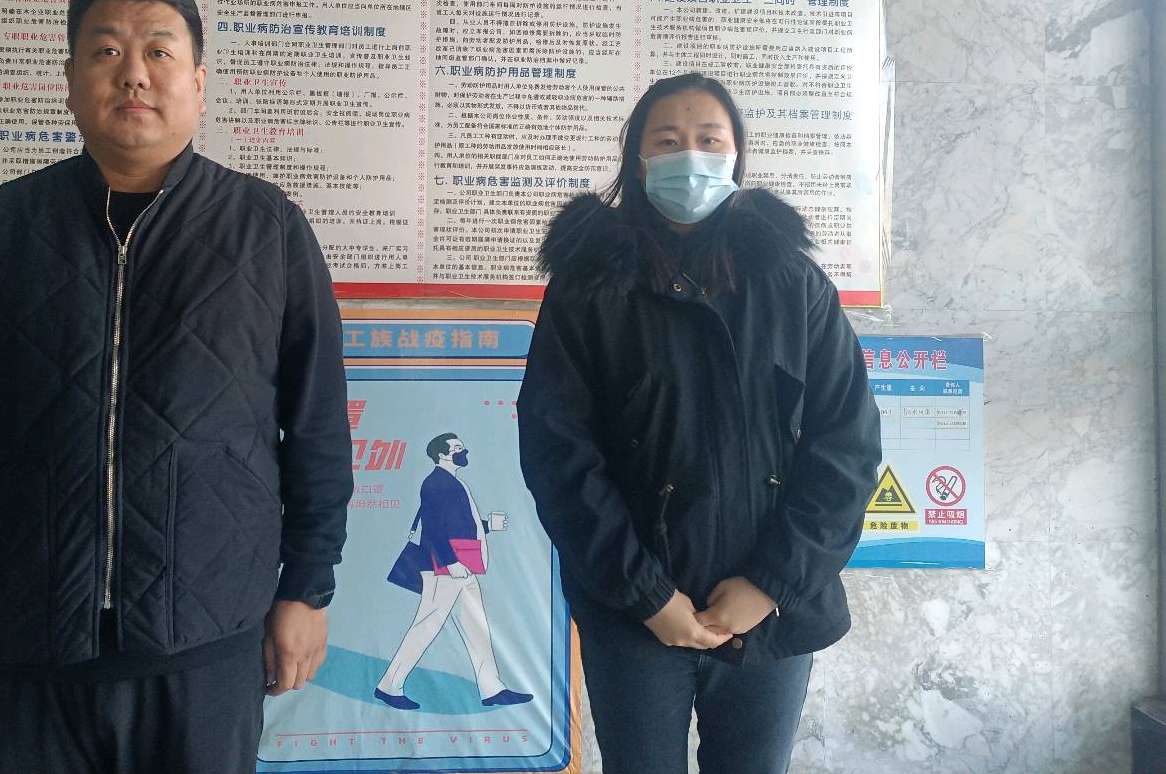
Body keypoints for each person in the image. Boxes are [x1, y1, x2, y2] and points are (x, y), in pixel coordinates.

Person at [0, 0, 352, 774]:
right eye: (107, 51)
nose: (134, 74)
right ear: (71, 79)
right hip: (21, 637)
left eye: (159, 52)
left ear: (198, 83)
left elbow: (316, 426)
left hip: (206, 640)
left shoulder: (269, 231)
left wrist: (307, 588)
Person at [517, 72, 881, 774]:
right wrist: (648, 595)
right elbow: (558, 452)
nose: (691, 156)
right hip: (635, 615)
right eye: (667, 141)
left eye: (709, 139)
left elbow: (847, 445)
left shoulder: (794, 284)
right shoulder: (589, 288)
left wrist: (770, 584)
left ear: (737, 154)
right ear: (638, 160)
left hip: (768, 613)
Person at [375, 433, 532, 711]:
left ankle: (492, 688)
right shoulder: (435, 483)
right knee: (426, 625)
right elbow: (435, 528)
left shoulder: (450, 481)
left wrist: (487, 525)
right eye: (457, 448)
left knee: (476, 627)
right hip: (443, 569)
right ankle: (389, 686)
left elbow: (457, 523)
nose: (464, 451)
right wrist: (451, 562)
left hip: (459, 568)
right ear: (442, 454)